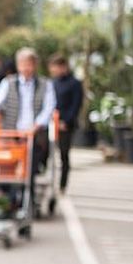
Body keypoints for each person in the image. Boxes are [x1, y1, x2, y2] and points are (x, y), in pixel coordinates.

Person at [0, 47, 57, 211]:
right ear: (18, 66)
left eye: (29, 64)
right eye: (23, 64)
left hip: (34, 137)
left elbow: (49, 108)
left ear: (35, 66)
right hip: (11, 136)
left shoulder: (45, 85)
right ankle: (9, 203)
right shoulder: (9, 84)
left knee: (29, 171)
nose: (26, 68)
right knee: (7, 169)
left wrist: (36, 126)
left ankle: (26, 205)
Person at [49, 54, 83, 193]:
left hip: (65, 125)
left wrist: (66, 121)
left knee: (63, 154)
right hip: (52, 123)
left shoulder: (74, 83)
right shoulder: (53, 83)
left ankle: (62, 184)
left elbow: (76, 105)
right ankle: (49, 181)